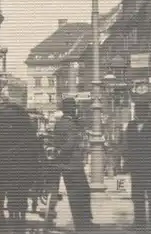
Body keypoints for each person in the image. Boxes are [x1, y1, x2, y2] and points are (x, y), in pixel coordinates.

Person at [54, 97, 99, 232]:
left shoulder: (59, 123)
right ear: (72, 109)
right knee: (81, 194)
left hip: (67, 165)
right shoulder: (71, 124)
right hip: (73, 165)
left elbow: (57, 143)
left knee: (79, 194)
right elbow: (70, 143)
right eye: (74, 108)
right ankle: (83, 225)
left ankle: (83, 223)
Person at [124, 99, 151, 230]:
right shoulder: (131, 126)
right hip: (137, 167)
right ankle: (139, 223)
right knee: (137, 196)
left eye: (141, 110)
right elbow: (128, 145)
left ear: (147, 112)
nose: (138, 113)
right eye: (137, 110)